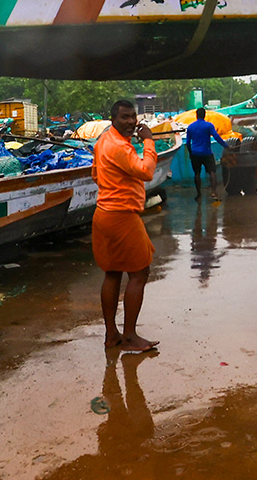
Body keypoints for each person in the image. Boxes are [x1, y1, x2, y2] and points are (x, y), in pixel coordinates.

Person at [92, 99, 159, 352]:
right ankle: (129, 335)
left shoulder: (103, 141)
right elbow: (146, 171)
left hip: (103, 213)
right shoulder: (120, 147)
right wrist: (149, 141)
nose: (131, 122)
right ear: (113, 119)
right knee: (140, 273)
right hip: (121, 215)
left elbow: (96, 174)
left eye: (133, 117)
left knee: (112, 272)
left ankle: (112, 335)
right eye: (125, 117)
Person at [186, 107, 227, 200]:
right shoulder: (209, 125)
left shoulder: (190, 127)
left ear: (196, 115)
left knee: (197, 173)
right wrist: (226, 145)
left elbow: (188, 142)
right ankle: (213, 192)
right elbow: (216, 137)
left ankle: (199, 194)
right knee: (212, 172)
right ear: (204, 115)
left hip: (195, 153)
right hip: (207, 153)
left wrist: (190, 153)